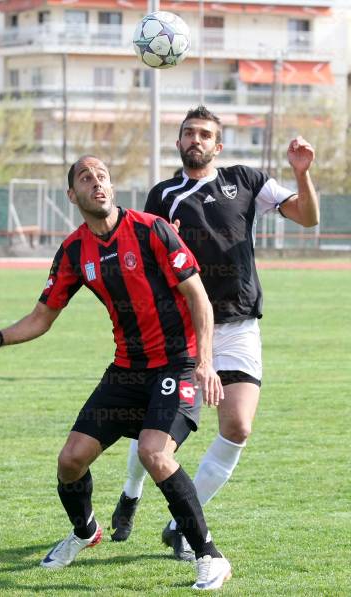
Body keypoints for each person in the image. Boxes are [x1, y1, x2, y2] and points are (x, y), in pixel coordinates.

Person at [0, 155, 233, 591]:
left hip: (177, 364)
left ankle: (210, 556)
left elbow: (199, 296)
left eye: (102, 176)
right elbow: (42, 317)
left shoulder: (151, 229)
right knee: (70, 461)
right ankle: (86, 531)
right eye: (86, 179)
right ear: (73, 195)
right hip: (126, 370)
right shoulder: (73, 251)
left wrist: (203, 363)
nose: (97, 183)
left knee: (154, 453)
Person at [110, 106, 320, 559]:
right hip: (182, 329)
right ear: (179, 141)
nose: (196, 139)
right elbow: (146, 267)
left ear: (218, 146)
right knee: (157, 432)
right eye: (189, 133)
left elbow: (306, 216)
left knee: (239, 426)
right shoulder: (161, 196)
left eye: (205, 134)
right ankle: (130, 493)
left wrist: (302, 174)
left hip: (239, 325)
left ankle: (181, 526)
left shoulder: (246, 180)